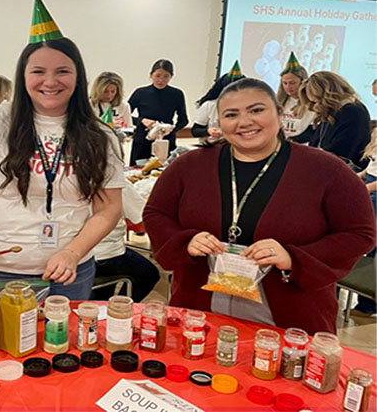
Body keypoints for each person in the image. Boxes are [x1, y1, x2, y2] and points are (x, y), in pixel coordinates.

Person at [143, 77, 376, 335]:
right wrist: (185, 241)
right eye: (231, 114)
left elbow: (359, 234)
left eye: (256, 110)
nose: (244, 122)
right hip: (198, 309)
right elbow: (156, 214)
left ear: (279, 114)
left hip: (290, 314)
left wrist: (293, 258)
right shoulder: (189, 166)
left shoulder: (326, 170)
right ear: (219, 122)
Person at [0, 0, 123, 300]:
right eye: (38, 71)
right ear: (23, 76)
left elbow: (108, 208)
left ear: (78, 76)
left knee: (62, 346)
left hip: (70, 269)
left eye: (63, 71)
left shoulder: (100, 136)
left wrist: (72, 252)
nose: (50, 81)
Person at [91, 179, 160, 303]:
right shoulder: (116, 182)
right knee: (150, 274)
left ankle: (102, 303)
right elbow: (142, 224)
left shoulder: (64, 179)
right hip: (105, 254)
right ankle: (121, 305)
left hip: (73, 252)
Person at [299, 71, 371, 171]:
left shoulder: (353, 111)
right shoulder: (333, 111)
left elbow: (343, 151)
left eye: (317, 100)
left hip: (345, 171)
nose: (316, 105)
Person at [128, 59, 188, 166]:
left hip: (166, 139)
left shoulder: (176, 94)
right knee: (138, 170)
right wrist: (142, 120)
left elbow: (184, 119)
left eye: (166, 76)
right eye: (158, 75)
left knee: (164, 172)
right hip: (142, 139)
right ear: (151, 75)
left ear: (171, 77)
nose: (161, 80)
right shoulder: (140, 93)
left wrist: (171, 129)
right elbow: (126, 115)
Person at [351, 127, 377, 317]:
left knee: (369, 247)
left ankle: (368, 302)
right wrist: (358, 178)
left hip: (374, 190)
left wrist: (367, 188)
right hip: (370, 183)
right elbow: (373, 164)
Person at [191, 60, 245, 138]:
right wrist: (208, 131)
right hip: (213, 144)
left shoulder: (247, 108)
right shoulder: (210, 106)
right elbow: (195, 131)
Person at [276, 52, 315, 143]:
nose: (288, 87)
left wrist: (291, 141)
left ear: (302, 82)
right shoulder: (279, 101)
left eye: (292, 83)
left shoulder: (312, 104)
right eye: (285, 83)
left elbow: (312, 131)